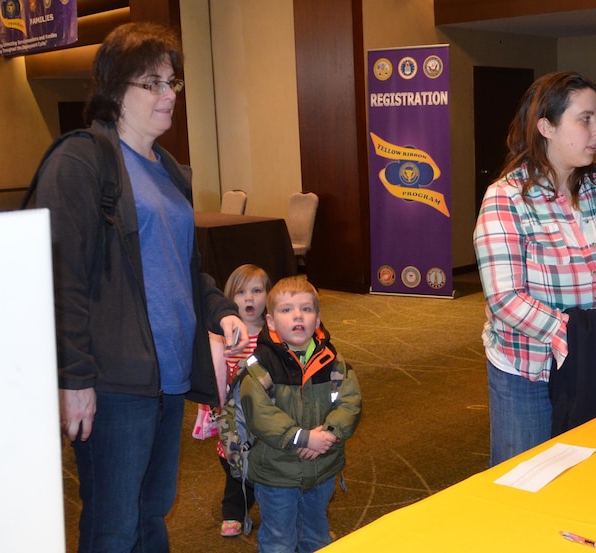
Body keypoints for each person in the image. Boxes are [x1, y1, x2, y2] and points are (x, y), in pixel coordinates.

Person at [34, 22, 247, 552]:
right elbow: (61, 281)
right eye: (151, 83)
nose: (168, 95)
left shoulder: (168, 169)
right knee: (113, 524)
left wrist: (220, 309)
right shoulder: (82, 161)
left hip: (167, 376)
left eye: (171, 82)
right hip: (113, 381)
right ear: (113, 90)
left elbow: (185, 267)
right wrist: (75, 379)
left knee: (151, 514)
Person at [473, 71, 596, 466]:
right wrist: (573, 335)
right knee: (526, 484)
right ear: (546, 126)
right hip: (531, 371)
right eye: (585, 119)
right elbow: (505, 298)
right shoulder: (506, 198)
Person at [241, 275, 362, 553]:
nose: (298, 316)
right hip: (277, 473)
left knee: (316, 535)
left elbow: (350, 401)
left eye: (306, 309)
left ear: (317, 319)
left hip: (322, 469)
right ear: (271, 322)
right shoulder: (260, 366)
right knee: (279, 541)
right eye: (286, 310)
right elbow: (260, 414)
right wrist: (301, 437)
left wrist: (330, 433)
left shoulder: (333, 361)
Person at [194, 264, 271, 537]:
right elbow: (213, 375)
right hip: (234, 418)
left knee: (267, 462)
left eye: (257, 291)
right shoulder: (222, 338)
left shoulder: (272, 335)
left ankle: (270, 507)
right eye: (241, 292)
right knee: (233, 465)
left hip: (265, 417)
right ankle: (234, 512)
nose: (249, 298)